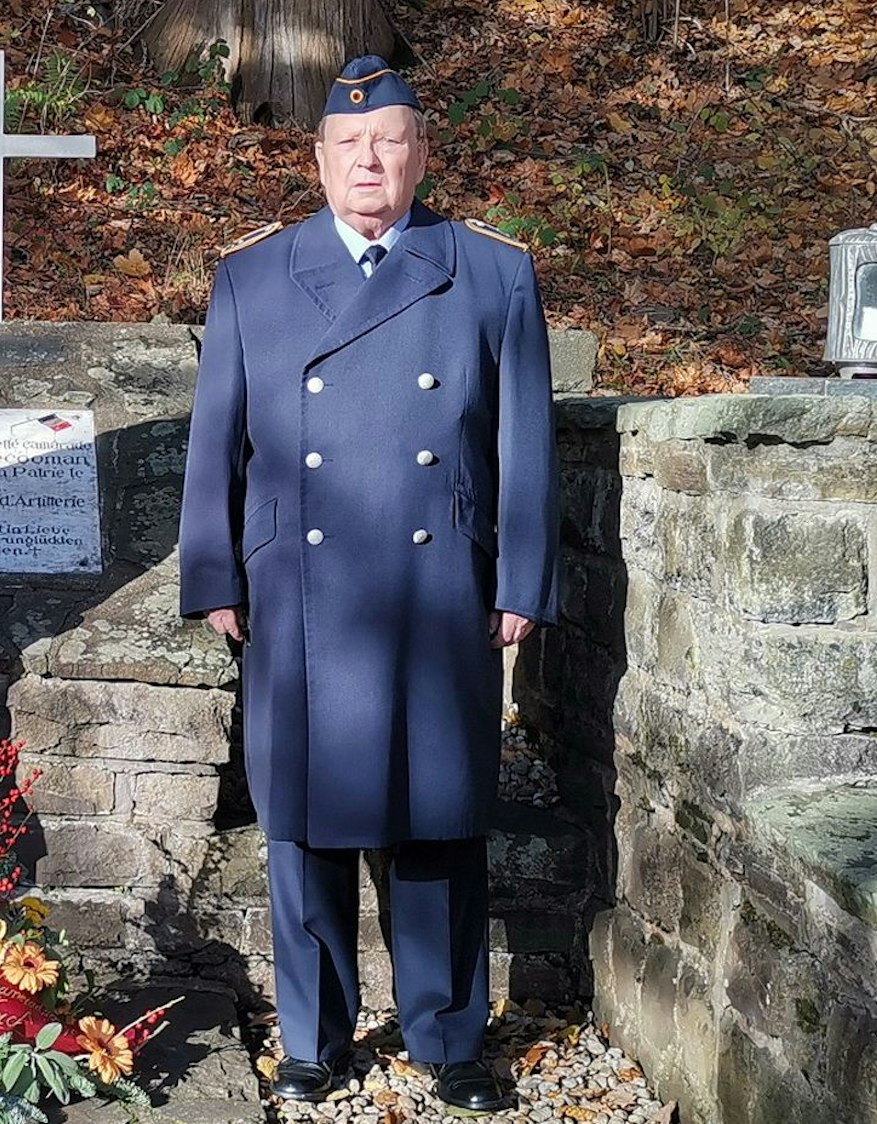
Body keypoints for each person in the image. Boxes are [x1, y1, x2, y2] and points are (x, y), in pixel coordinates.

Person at [176, 56, 560, 1113]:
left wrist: (520, 574)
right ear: (318, 160)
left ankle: (448, 1036)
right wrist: (214, 567)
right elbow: (219, 440)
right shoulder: (255, 275)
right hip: (300, 584)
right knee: (303, 822)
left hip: (442, 586)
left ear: (422, 152)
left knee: (438, 815)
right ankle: (314, 1035)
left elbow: (526, 442)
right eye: (350, 144)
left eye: (391, 140)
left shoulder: (487, 272)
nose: (371, 160)